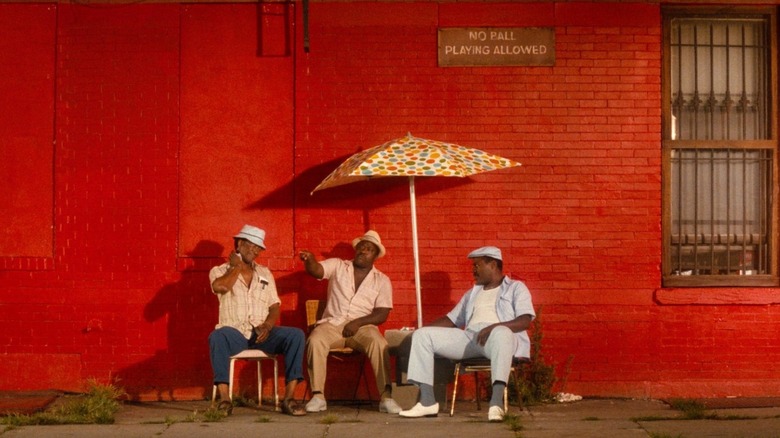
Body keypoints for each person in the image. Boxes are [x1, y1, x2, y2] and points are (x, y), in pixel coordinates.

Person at [398, 246, 535, 421]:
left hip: (498, 339)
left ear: (492, 264)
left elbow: (525, 320)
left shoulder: (515, 288)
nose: (473, 270)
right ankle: (427, 402)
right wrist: (421, 329)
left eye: (477, 265)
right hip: (471, 338)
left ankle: (496, 404)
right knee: (422, 336)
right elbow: (451, 320)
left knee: (502, 332)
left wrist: (493, 327)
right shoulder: (472, 293)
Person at [298, 230, 402, 414]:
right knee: (315, 339)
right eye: (361, 247)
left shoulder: (382, 280)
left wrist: (357, 323)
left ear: (375, 256)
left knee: (379, 343)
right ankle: (318, 396)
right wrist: (310, 260)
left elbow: (382, 313)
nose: (363, 251)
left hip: (363, 328)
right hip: (333, 324)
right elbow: (317, 271)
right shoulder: (338, 266)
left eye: (369, 249)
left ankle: (386, 398)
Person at [208, 225, 307, 416]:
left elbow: (274, 305)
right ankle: (225, 400)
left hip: (262, 332)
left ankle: (289, 399)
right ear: (239, 244)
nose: (256, 251)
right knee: (217, 336)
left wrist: (268, 326)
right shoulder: (219, 270)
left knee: (296, 335)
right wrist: (236, 266)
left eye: (258, 248)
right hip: (234, 332)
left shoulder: (265, 273)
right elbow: (220, 287)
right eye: (252, 246)